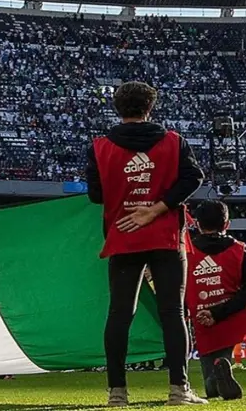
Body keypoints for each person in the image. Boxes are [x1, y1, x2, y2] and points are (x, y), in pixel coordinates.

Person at [85, 81, 205, 407]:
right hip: (165, 235)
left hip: (124, 234)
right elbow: (194, 178)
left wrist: (127, 197)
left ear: (118, 109)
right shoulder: (174, 141)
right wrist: (155, 208)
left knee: (120, 314)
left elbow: (96, 194)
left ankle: (117, 393)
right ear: (149, 108)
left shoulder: (99, 147)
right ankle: (179, 389)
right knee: (172, 313)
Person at [186, 201, 246, 399]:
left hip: (203, 322)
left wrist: (200, 312)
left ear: (197, 224)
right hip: (236, 318)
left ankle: (216, 376)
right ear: (227, 224)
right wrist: (218, 312)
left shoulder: (186, 252)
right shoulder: (241, 250)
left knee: (211, 387)